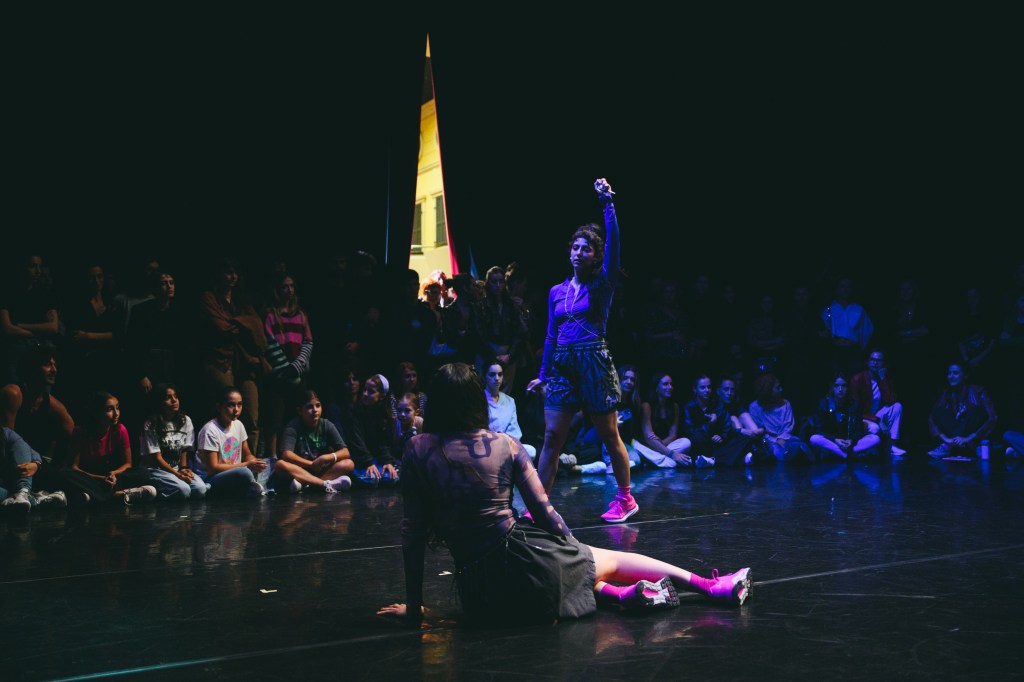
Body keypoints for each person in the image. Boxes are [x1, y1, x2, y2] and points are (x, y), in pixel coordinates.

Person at [377, 363, 751, 627]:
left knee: (568, 571)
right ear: (477, 402)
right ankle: (710, 586)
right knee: (598, 559)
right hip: (527, 568)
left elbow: (412, 536)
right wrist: (575, 549)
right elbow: (545, 513)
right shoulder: (505, 444)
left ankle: (619, 596)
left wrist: (414, 608)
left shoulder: (418, 449)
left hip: (482, 599)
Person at [526, 178, 638, 523]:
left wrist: (607, 204)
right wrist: (543, 375)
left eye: (585, 249)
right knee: (552, 437)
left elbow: (615, 242)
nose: (578, 253)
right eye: (575, 247)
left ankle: (625, 498)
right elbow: (550, 335)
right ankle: (539, 506)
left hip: (593, 362)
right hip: (562, 366)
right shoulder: (556, 291)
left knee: (609, 434)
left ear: (595, 256)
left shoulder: (602, 284)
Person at [59, 391, 157, 506]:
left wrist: (113, 474)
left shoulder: (120, 430)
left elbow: (127, 464)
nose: (116, 413)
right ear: (96, 413)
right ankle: (113, 496)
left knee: (144, 473)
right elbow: (73, 467)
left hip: (111, 477)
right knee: (65, 473)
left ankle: (93, 496)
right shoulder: (80, 432)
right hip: (88, 477)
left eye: (117, 408)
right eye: (109, 409)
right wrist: (101, 479)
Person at [273, 389, 353, 494]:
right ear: (300, 411)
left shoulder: (326, 425)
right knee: (279, 465)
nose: (315, 410)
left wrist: (328, 457)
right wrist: (311, 464)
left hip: (320, 471)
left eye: (318, 405)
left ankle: (307, 485)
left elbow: (345, 452)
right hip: (300, 470)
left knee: (348, 464)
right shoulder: (293, 426)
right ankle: (324, 484)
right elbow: (286, 455)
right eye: (309, 407)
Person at [193, 386, 267, 497]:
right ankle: (252, 488)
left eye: (239, 405)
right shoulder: (210, 430)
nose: (236, 409)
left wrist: (256, 463)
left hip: (233, 472)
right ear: (219, 407)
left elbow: (247, 454)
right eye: (231, 405)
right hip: (211, 478)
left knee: (270, 463)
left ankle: (250, 487)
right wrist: (246, 465)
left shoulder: (238, 424)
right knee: (244, 473)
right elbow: (213, 468)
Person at [139, 384, 209, 501]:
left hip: (176, 469)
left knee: (200, 489)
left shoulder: (185, 420)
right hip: (156, 470)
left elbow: (184, 450)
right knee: (184, 490)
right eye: (168, 397)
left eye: (176, 396)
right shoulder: (151, 424)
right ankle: (152, 492)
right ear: (159, 402)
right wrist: (178, 476)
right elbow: (157, 458)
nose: (174, 400)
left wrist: (183, 468)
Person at [927, 362, 997, 459]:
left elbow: (992, 418)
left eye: (955, 373)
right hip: (954, 436)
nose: (951, 376)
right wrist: (945, 438)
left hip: (973, 436)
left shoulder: (978, 391)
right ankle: (954, 445)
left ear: (965, 375)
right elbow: (932, 418)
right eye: (949, 373)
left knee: (976, 411)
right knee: (938, 412)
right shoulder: (946, 393)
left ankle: (947, 447)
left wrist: (968, 438)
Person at [684, 374, 754, 467]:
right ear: (695, 389)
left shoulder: (717, 405)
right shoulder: (690, 407)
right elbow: (690, 432)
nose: (707, 390)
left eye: (709, 387)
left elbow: (727, 426)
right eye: (703, 387)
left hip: (719, 445)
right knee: (698, 437)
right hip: (702, 443)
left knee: (744, 438)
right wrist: (710, 424)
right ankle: (733, 459)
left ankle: (713, 461)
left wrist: (722, 436)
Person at [809, 373, 881, 460]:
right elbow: (819, 429)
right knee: (814, 438)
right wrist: (835, 439)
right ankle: (846, 455)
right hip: (833, 441)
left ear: (848, 388)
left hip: (849, 442)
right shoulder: (824, 404)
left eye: (843, 386)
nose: (840, 389)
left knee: (875, 438)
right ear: (832, 387)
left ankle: (845, 453)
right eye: (837, 386)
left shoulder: (854, 405)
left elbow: (859, 430)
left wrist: (851, 440)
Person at [850, 349, 906, 457]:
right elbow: (856, 408)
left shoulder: (886, 378)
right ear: (867, 362)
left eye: (879, 360)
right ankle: (868, 448)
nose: (875, 363)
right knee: (875, 428)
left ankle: (892, 445)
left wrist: (883, 379)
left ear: (883, 364)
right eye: (873, 360)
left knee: (897, 406)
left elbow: (891, 401)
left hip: (876, 415)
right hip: (863, 416)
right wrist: (878, 421)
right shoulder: (857, 379)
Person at [747, 373, 812, 462]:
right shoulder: (755, 407)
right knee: (773, 450)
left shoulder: (785, 404)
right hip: (768, 442)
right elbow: (759, 429)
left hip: (786, 439)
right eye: (777, 388)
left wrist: (782, 438)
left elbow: (788, 426)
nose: (781, 389)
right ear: (768, 390)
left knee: (796, 444)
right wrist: (773, 441)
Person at [634, 372, 694, 468]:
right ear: (657, 387)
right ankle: (669, 461)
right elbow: (649, 438)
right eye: (665, 384)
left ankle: (652, 460)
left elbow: (673, 435)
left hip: (663, 445)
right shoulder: (647, 406)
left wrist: (660, 445)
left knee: (686, 442)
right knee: (636, 446)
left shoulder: (674, 406)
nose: (670, 387)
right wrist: (672, 454)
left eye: (671, 384)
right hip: (647, 445)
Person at [484, 362, 536, 460]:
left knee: (531, 451)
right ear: (485, 377)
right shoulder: (479, 399)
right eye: (492, 374)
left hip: (507, 444)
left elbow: (514, 429)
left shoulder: (510, 401)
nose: (497, 378)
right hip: (487, 444)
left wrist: (505, 442)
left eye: (500, 374)